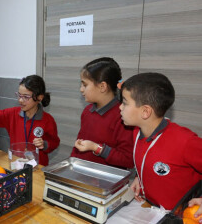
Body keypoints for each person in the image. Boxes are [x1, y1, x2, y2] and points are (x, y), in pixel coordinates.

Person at [120, 72, 202, 211]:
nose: (120, 107)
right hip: (151, 209)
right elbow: (149, 158)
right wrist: (139, 177)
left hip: (179, 216)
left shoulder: (185, 141)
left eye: (125, 103)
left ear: (145, 111)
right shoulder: (137, 131)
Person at [0, 75, 60, 166]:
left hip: (38, 166)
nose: (20, 100)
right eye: (19, 95)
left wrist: (44, 144)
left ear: (39, 98)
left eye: (26, 97)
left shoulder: (47, 120)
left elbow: (55, 142)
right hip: (16, 163)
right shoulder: (12, 114)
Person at [70, 57, 134, 169]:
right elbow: (79, 145)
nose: (81, 89)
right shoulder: (87, 111)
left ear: (102, 86)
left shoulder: (122, 116)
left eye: (85, 85)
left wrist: (97, 148)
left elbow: (128, 160)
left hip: (107, 181)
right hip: (82, 174)